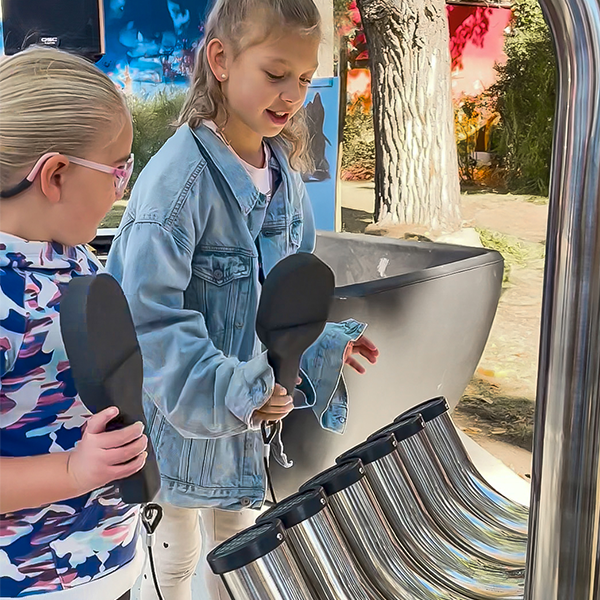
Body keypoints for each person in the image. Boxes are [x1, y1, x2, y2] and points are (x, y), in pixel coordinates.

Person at [106, 0, 379, 598]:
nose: (291, 94)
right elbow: (147, 318)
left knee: (237, 543)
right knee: (174, 547)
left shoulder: (283, 173)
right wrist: (232, 389)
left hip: (249, 417)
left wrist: (321, 343)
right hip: (178, 420)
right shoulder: (178, 181)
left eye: (304, 79)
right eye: (276, 73)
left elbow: (284, 293)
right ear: (222, 60)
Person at [0, 48, 148, 600]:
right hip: (31, 584)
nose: (121, 188)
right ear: (55, 173)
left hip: (112, 561)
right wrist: (72, 472)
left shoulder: (76, 257)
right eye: (119, 169)